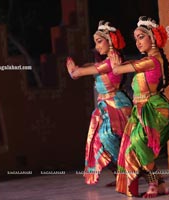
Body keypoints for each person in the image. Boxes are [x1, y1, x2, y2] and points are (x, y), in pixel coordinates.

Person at [111, 16, 169, 198]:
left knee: (138, 142)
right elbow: (123, 67)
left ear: (152, 37)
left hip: (154, 109)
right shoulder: (146, 60)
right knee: (135, 148)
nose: (137, 42)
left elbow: (120, 69)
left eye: (141, 37)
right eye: (136, 38)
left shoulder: (152, 61)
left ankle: (153, 183)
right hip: (141, 110)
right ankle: (161, 184)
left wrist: (116, 64)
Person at [66, 20, 132, 185]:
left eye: (99, 41)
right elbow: (89, 67)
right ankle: (120, 175)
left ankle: (131, 171)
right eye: (95, 42)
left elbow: (85, 71)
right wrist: (76, 71)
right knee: (96, 142)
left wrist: (75, 71)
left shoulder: (111, 61)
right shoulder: (103, 62)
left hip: (116, 105)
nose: (96, 46)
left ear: (110, 41)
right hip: (104, 108)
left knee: (107, 136)